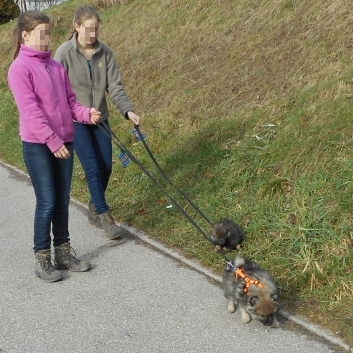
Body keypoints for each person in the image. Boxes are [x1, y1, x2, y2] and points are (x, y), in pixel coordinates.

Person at [8, 10, 102, 283]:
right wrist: (52, 140)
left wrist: (86, 114)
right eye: (41, 34)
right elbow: (31, 111)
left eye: (49, 34)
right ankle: (42, 257)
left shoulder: (55, 66)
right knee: (47, 201)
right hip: (39, 145)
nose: (47, 39)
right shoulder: (19, 69)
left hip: (65, 141)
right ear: (25, 35)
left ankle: (63, 253)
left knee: (62, 201)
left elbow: (70, 102)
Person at [54, 5, 141, 240]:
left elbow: (115, 87)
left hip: (100, 118)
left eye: (96, 29)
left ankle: (94, 205)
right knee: (92, 167)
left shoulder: (105, 53)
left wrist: (128, 111)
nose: (93, 34)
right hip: (76, 120)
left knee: (106, 166)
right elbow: (56, 90)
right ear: (77, 27)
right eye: (89, 29)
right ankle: (105, 216)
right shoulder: (64, 53)